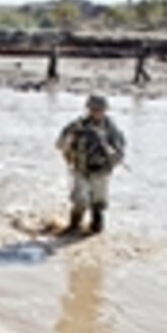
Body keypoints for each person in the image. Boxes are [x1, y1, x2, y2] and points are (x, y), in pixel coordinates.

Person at [56, 94, 126, 234]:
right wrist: (69, 142)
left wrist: (115, 156)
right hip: (81, 170)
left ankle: (95, 227)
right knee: (80, 201)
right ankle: (74, 226)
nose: (97, 112)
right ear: (88, 109)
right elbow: (60, 143)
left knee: (98, 203)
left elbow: (120, 147)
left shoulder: (111, 128)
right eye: (94, 109)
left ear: (105, 110)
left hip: (101, 171)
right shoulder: (77, 125)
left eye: (100, 109)